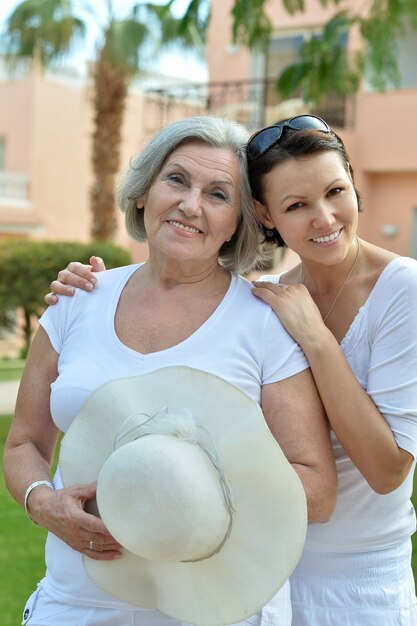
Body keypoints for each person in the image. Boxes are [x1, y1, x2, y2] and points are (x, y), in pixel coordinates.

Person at [50, 114, 417, 625]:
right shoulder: (271, 299)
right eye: (296, 205)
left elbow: (388, 470)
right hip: (257, 567)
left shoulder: (403, 290)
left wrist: (315, 338)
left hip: (359, 580)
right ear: (265, 216)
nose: (325, 218)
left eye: (336, 191)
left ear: (355, 185)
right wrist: (83, 291)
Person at [4, 115, 336, 626]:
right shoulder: (75, 302)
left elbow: (316, 489)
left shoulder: (264, 322)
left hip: (218, 610)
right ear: (144, 193)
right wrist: (41, 501)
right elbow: (24, 441)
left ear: (238, 222)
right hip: (76, 602)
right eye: (176, 179)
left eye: (218, 194)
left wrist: (182, 492)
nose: (190, 205)